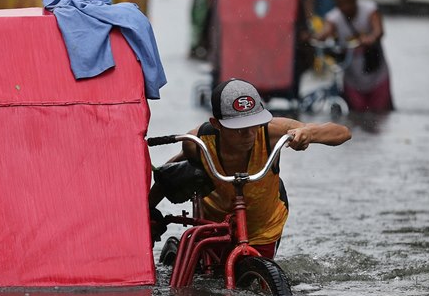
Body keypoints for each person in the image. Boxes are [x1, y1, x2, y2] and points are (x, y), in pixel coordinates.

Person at [149, 78, 351, 259]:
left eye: (254, 124)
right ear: (216, 124)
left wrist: (308, 132)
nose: (249, 134)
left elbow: (342, 133)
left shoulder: (273, 132)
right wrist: (147, 210)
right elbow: (171, 172)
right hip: (215, 224)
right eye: (238, 128)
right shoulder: (197, 142)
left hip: (264, 227)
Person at [315, 0, 394, 112]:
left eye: (348, 2)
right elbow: (325, 32)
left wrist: (371, 38)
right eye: (340, 4)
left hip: (377, 76)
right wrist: (316, 37)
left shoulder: (369, 10)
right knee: (356, 116)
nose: (345, 7)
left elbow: (379, 31)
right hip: (352, 80)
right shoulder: (334, 17)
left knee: (380, 115)